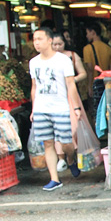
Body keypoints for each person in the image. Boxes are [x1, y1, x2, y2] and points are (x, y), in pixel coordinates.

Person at [29, 26, 82, 191]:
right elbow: (34, 87)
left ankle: (71, 159)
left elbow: (70, 84)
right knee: (48, 143)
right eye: (34, 40)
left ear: (50, 40)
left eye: (40, 39)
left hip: (60, 108)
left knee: (66, 142)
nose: (36, 43)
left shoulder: (63, 60)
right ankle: (54, 179)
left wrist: (76, 107)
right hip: (41, 108)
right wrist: (33, 109)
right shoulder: (33, 62)